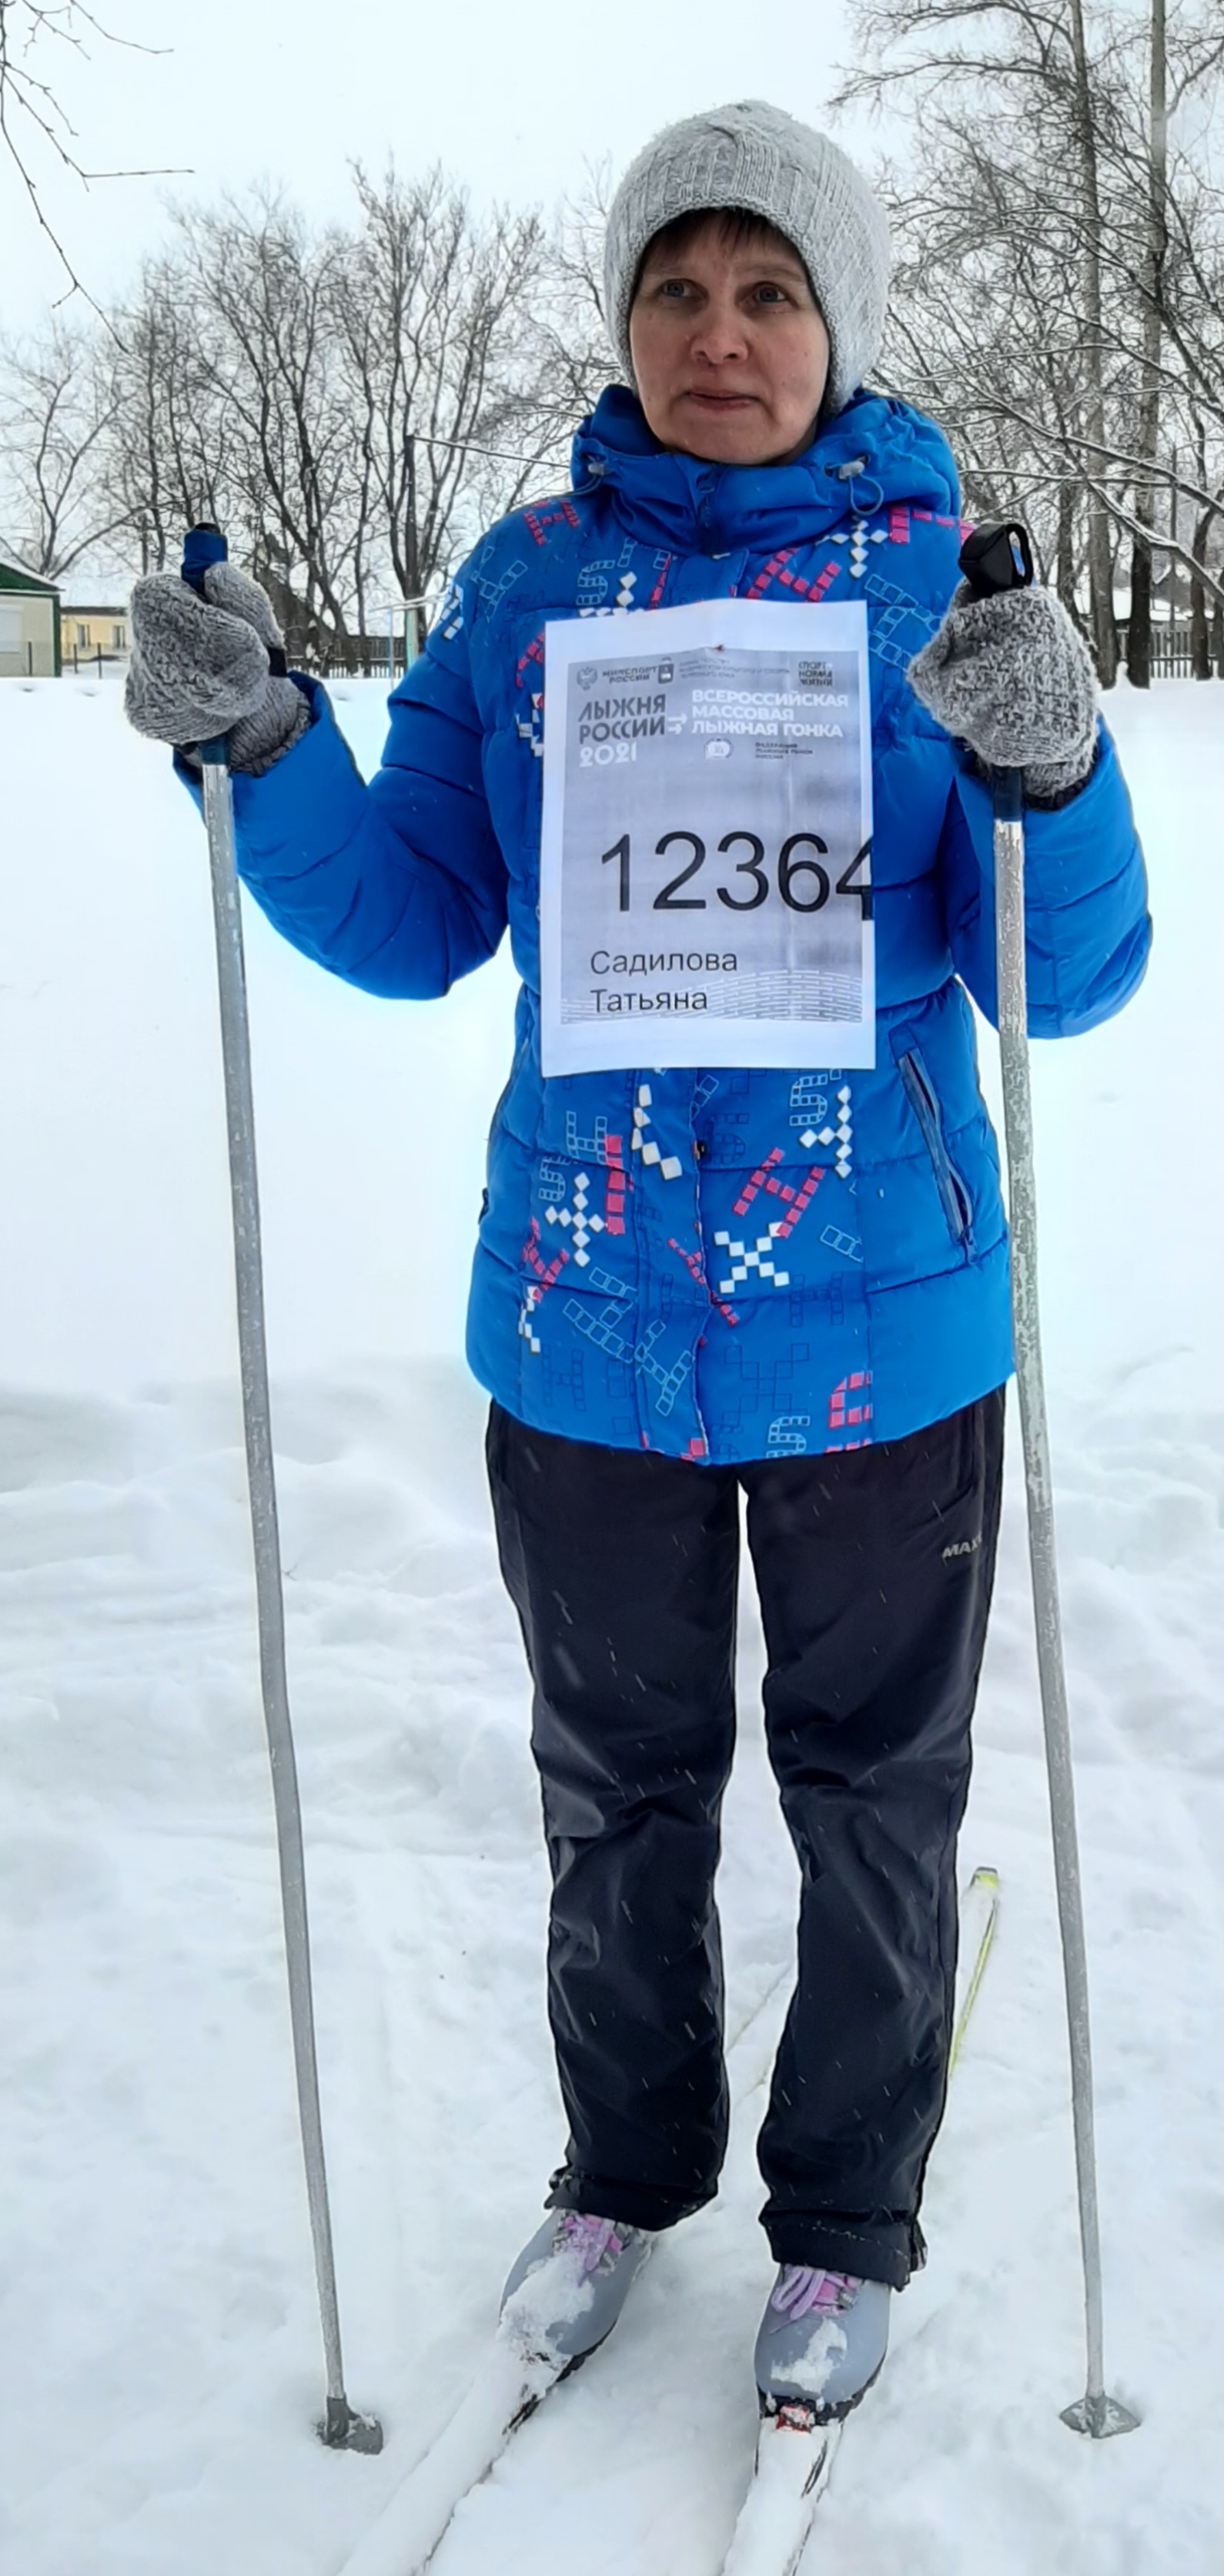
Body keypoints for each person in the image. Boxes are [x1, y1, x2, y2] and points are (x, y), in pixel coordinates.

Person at [125, 101, 1150, 2430]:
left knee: (874, 1799)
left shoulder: (943, 590)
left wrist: (1054, 770)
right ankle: (622, 2170)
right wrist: (267, 740)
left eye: (770, 290)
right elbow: (413, 910)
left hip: (884, 1333)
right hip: (586, 1326)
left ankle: (845, 2220)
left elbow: (1069, 977)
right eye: (676, 289)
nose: (720, 332)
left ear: (839, 327)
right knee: (616, 1784)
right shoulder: (525, 588)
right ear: (624, 323)